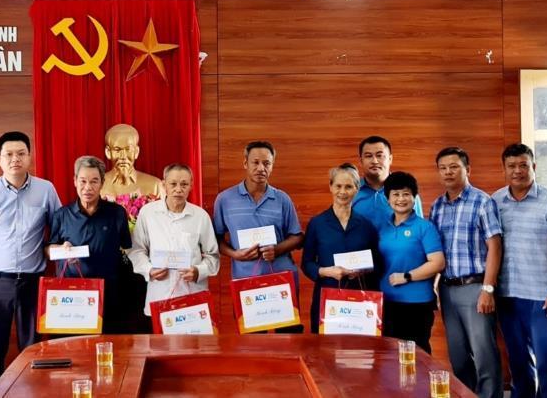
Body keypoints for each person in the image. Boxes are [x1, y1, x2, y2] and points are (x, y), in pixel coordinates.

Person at [0, 131, 62, 392]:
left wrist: (57, 248)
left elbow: (56, 232)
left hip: (33, 282)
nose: (15, 159)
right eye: (8, 154)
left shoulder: (46, 189)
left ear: (29, 157)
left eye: (21, 154)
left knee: (33, 351)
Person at [493, 143, 547, 398]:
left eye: (523, 165)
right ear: (504, 169)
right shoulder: (495, 201)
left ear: (534, 167)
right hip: (507, 294)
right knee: (517, 361)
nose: (518, 171)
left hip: (542, 295)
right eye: (512, 166)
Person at [430, 147, 504, 398]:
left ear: (467, 169)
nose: (448, 172)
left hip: (476, 288)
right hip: (448, 289)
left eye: (454, 166)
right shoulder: (437, 205)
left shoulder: (483, 201)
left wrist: (488, 289)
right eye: (443, 168)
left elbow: (495, 246)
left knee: (484, 354)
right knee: (458, 355)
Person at [213, 141, 305, 333]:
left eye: (267, 163)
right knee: (252, 347)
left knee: (288, 343)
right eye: (255, 162)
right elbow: (216, 239)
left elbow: (297, 237)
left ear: (272, 166)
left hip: (282, 282)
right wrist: (235, 254)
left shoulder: (282, 199)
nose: (261, 168)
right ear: (245, 163)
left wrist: (277, 249)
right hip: (246, 283)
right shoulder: (224, 200)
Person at [46, 156, 131, 333]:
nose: (88, 187)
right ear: (75, 181)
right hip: (73, 296)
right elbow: (48, 250)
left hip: (109, 294)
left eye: (94, 181)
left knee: (110, 346)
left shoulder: (117, 213)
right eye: (83, 181)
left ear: (102, 183)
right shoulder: (62, 215)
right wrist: (62, 250)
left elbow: (127, 248)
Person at [128, 164, 220, 318]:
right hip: (159, 295)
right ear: (164, 185)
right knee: (160, 342)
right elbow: (137, 250)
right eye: (173, 184)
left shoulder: (200, 216)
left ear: (191, 185)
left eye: (184, 184)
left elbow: (213, 256)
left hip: (192, 295)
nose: (178, 189)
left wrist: (198, 271)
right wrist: (149, 269)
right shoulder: (148, 213)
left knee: (194, 342)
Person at [301, 163, 379, 334]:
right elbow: (306, 263)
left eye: (349, 186)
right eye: (338, 186)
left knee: (358, 354)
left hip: (359, 299)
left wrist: (363, 270)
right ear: (330, 186)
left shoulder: (367, 226)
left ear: (357, 189)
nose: (342, 192)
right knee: (325, 352)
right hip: (327, 297)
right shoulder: (317, 223)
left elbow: (377, 263)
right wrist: (327, 271)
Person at [378, 171, 444, 352]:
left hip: (417, 304)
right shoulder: (382, 229)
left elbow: (437, 263)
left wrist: (407, 276)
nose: (401, 199)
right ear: (388, 199)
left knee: (417, 355)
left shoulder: (425, 227)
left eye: (406, 194)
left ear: (414, 197)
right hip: (387, 302)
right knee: (389, 356)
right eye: (396, 194)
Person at [353, 136, 423, 228]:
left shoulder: (408, 191)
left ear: (390, 159)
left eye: (379, 155)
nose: (374, 161)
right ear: (361, 161)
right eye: (368, 156)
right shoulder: (351, 192)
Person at [100, 123, 164, 200]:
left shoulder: (154, 185)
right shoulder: (98, 185)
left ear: (136, 152)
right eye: (117, 150)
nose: (123, 156)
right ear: (108, 152)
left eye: (128, 149)